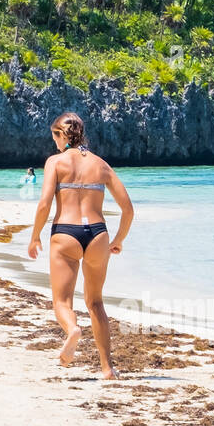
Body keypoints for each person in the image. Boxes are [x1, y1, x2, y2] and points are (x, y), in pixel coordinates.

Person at [27, 112, 134, 375]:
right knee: (96, 302)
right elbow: (128, 209)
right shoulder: (101, 165)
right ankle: (108, 368)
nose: (54, 142)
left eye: (55, 136)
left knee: (62, 302)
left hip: (66, 232)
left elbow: (44, 204)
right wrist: (118, 239)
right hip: (97, 234)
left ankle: (73, 329)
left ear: (62, 135)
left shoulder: (55, 162)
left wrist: (35, 236)